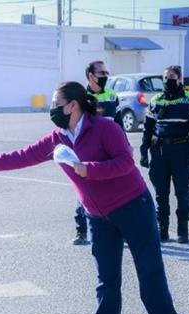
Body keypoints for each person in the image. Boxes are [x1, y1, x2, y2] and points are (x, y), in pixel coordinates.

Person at [0, 81, 182, 314]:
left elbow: (125, 163)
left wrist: (86, 169)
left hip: (132, 207)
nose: (52, 109)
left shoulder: (105, 128)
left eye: (56, 104)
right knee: (106, 278)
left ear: (73, 105)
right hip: (98, 216)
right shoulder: (58, 137)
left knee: (149, 273)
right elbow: (19, 157)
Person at [139, 65, 189, 244]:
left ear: (180, 79)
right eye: (165, 77)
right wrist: (144, 152)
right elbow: (147, 129)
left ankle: (183, 231)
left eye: (171, 76)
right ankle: (162, 230)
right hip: (158, 152)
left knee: (182, 192)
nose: (167, 80)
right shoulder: (156, 100)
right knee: (160, 193)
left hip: (181, 151)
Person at [72, 60, 123, 246]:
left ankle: (114, 228)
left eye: (106, 72)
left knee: (114, 192)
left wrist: (123, 145)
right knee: (84, 193)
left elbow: (118, 124)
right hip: (86, 153)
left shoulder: (112, 96)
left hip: (109, 154)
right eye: (101, 73)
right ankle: (81, 231)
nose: (105, 76)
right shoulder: (80, 97)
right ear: (91, 76)